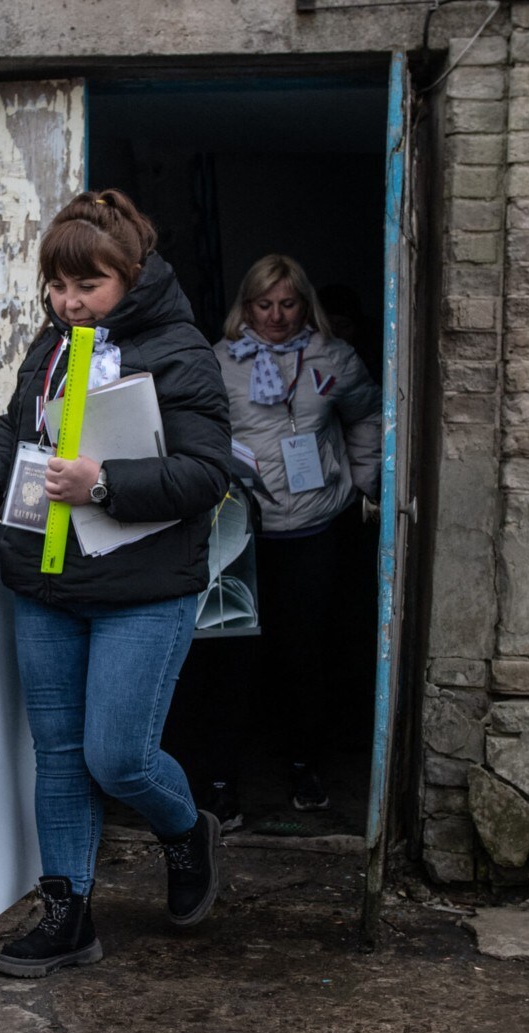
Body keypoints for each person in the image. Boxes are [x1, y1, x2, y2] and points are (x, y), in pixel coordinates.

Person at [0, 190, 231, 978]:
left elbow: (206, 473)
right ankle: (67, 915)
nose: (68, 302)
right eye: (57, 285)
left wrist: (105, 482)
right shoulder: (50, 344)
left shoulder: (181, 350)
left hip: (145, 587)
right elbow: (17, 429)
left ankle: (185, 831)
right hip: (46, 578)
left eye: (88, 287)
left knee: (119, 756)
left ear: (132, 276)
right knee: (61, 754)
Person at [213, 255, 378, 818]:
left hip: (313, 527)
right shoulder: (217, 363)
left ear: (305, 305)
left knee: (305, 654)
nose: (277, 316)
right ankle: (221, 781)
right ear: (246, 306)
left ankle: (306, 766)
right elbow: (194, 433)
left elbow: (367, 415)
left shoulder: (334, 357)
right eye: (264, 305)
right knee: (234, 657)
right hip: (242, 532)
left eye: (288, 304)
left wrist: (361, 480)